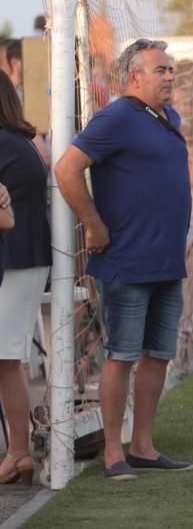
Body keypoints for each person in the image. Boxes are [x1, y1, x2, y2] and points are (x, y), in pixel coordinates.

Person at [54, 39, 193, 481]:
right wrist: (93, 226)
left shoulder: (167, 117)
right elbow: (66, 168)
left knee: (158, 355)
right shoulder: (115, 116)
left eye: (171, 69)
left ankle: (144, 447)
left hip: (167, 260)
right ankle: (113, 452)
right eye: (161, 70)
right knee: (122, 356)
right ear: (134, 77)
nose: (170, 76)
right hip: (128, 261)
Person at [0, 71, 51, 486]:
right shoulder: (21, 143)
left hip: (15, 261)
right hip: (23, 259)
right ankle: (18, 451)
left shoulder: (6, 145)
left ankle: (18, 450)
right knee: (6, 359)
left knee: (6, 358)